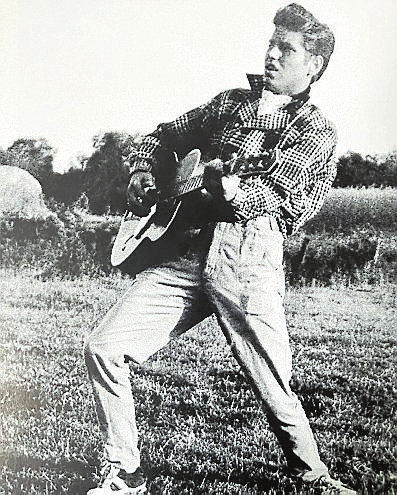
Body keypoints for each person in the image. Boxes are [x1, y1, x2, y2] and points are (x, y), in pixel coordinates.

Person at [84, 4, 357, 494]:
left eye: (287, 48)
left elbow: (278, 198)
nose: (272, 54)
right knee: (104, 347)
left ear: (313, 65)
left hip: (247, 261)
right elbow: (165, 135)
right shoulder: (229, 103)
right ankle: (125, 471)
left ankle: (314, 479)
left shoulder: (315, 131)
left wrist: (234, 192)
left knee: (271, 382)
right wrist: (143, 170)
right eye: (271, 43)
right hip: (186, 253)